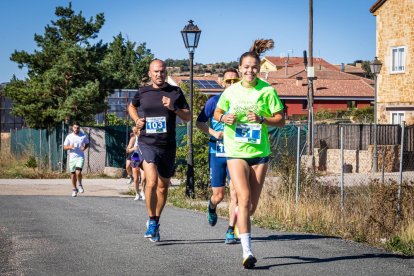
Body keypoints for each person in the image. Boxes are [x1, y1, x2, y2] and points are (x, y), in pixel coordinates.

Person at [214, 39, 285, 269]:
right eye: (246, 67)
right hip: (235, 151)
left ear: (259, 69)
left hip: (260, 152)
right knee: (243, 198)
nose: (250, 70)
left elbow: (281, 120)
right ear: (239, 68)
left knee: (251, 206)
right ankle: (247, 252)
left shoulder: (267, 91)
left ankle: (239, 217)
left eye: (254, 67)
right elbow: (217, 113)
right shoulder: (230, 91)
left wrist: (263, 119)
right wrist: (224, 118)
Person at [127, 59, 191, 242]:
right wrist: (137, 120)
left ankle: (157, 220)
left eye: (162, 71)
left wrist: (173, 108)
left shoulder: (175, 92)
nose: (159, 74)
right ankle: (152, 221)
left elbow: (188, 117)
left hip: (168, 145)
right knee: (152, 182)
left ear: (166, 72)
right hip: (147, 143)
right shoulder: (143, 92)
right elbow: (131, 106)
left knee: (163, 188)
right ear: (150, 73)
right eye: (155, 71)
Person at [196, 68, 240, 244]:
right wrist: (214, 133)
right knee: (219, 195)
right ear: (221, 82)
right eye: (227, 81)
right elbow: (199, 122)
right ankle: (212, 206)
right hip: (217, 152)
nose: (230, 84)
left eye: (234, 81)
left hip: (236, 153)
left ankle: (231, 230)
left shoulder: (241, 102)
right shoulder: (214, 101)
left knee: (236, 193)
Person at [63, 122, 90, 197]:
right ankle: (74, 189)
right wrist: (69, 147)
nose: (76, 129)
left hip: (80, 157)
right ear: (72, 128)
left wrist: (84, 148)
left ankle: (80, 184)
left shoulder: (83, 136)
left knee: (78, 172)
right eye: (75, 127)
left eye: (77, 128)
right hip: (72, 158)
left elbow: (87, 143)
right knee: (73, 174)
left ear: (79, 128)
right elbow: (64, 147)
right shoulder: (69, 136)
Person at [126, 126, 146, 201]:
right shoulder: (134, 138)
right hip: (136, 156)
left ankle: (142, 192)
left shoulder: (147, 138)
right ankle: (137, 193)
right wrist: (133, 148)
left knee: (144, 177)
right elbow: (127, 150)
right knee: (136, 178)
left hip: (144, 156)